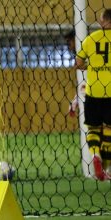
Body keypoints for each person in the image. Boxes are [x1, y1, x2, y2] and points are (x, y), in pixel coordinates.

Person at [75, 8, 111, 181]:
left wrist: (91, 66)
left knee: (93, 128)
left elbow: (79, 62)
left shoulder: (90, 39)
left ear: (103, 21)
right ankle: (106, 166)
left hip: (93, 91)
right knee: (110, 129)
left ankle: (95, 155)